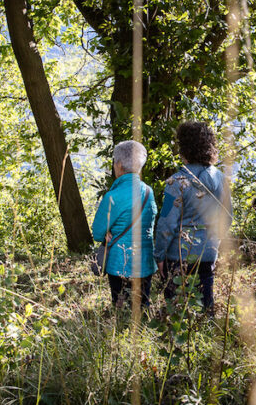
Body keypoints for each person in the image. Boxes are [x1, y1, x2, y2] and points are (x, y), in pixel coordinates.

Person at [154, 121, 231, 313]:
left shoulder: (176, 182)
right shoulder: (221, 179)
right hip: (208, 251)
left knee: (176, 310)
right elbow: (227, 217)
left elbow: (166, 223)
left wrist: (159, 255)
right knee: (205, 307)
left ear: (183, 149)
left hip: (178, 255)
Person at [92, 140, 157, 309]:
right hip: (145, 261)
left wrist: (108, 232)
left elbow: (98, 232)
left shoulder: (112, 196)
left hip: (119, 263)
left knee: (121, 310)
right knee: (142, 308)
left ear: (119, 165)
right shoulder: (149, 192)